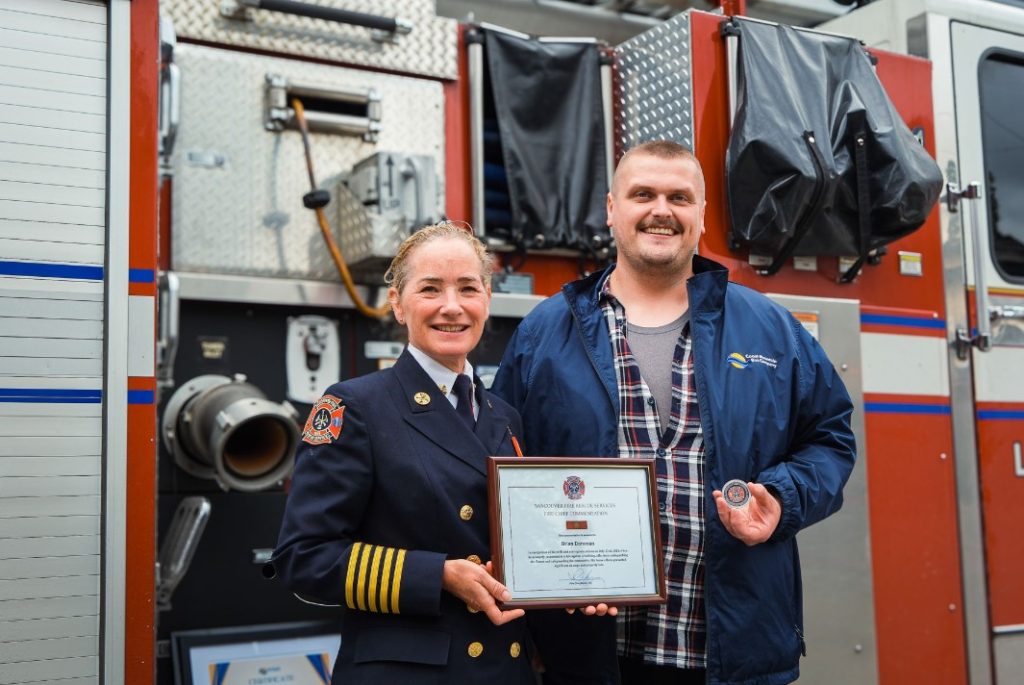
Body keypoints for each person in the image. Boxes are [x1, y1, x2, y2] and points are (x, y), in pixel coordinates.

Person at [491, 140, 856, 685]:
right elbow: (502, 459)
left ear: (701, 216)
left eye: (679, 197)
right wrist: (547, 570)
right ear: (613, 209)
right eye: (643, 194)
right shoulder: (543, 333)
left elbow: (830, 440)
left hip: (728, 653)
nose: (661, 210)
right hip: (588, 654)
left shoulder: (772, 330)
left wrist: (782, 498)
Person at [273, 222, 533, 685]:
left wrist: (574, 584)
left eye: (467, 288)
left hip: (502, 667)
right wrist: (437, 576)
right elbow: (304, 557)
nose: (451, 307)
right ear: (397, 303)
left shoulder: (505, 417)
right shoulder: (355, 406)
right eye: (430, 289)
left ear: (487, 299)